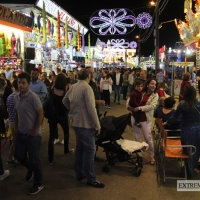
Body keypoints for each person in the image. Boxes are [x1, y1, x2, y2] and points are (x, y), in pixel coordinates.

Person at [62, 69, 105, 188]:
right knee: (90, 151)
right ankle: (91, 178)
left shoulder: (73, 87)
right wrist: (97, 125)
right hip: (85, 124)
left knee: (80, 148)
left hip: (76, 122)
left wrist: (72, 110)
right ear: (89, 76)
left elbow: (64, 100)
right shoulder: (87, 88)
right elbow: (91, 108)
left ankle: (80, 172)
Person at [14, 72, 44, 194]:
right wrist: (16, 126)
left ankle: (39, 183)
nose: (21, 85)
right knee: (19, 156)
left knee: (35, 160)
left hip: (33, 135)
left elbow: (40, 114)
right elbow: (17, 113)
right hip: (21, 133)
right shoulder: (16, 97)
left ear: (28, 84)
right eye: (19, 82)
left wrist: (35, 130)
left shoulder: (33, 97)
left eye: (23, 83)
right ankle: (30, 169)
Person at [165, 85, 200, 177]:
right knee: (196, 151)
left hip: (187, 130)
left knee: (187, 151)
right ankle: (192, 168)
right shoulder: (198, 103)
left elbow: (174, 117)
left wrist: (166, 123)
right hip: (198, 129)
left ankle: (188, 172)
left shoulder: (183, 104)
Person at [127, 78, 159, 165]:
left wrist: (140, 108)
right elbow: (130, 99)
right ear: (148, 84)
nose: (153, 85)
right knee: (137, 137)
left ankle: (152, 155)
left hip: (145, 119)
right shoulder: (140, 91)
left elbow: (151, 106)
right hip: (135, 117)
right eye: (152, 83)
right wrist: (129, 107)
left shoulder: (155, 95)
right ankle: (139, 156)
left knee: (148, 138)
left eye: (155, 84)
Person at [48, 74, 74, 165]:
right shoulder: (65, 92)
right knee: (66, 132)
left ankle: (50, 158)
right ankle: (66, 150)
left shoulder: (51, 91)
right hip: (62, 115)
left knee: (51, 136)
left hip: (52, 116)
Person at [6, 79, 19, 164]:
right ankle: (15, 158)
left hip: (10, 122)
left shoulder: (10, 96)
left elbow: (8, 109)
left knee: (14, 142)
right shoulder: (19, 96)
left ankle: (10, 158)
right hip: (17, 123)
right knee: (17, 142)